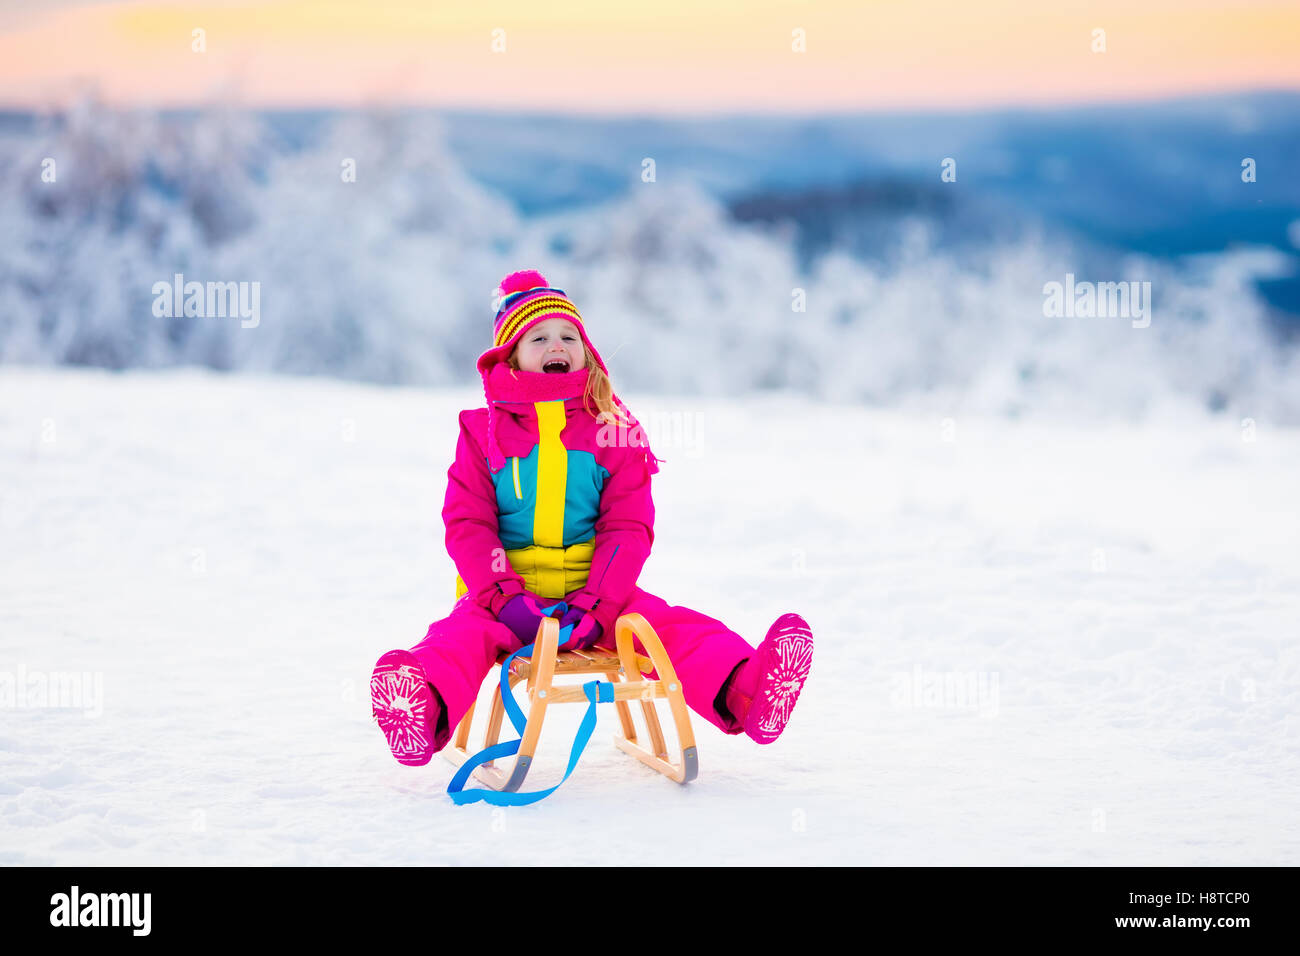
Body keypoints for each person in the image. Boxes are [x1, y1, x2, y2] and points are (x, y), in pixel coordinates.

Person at [370, 269, 814, 768]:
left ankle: (748, 691)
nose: (556, 344)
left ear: (586, 351)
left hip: (597, 593)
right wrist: (506, 600)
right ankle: (420, 705)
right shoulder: (481, 433)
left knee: (668, 628)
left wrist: (597, 606)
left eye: (569, 335)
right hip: (500, 597)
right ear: (510, 355)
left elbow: (628, 526)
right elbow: (467, 524)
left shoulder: (613, 429)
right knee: (458, 640)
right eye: (538, 337)